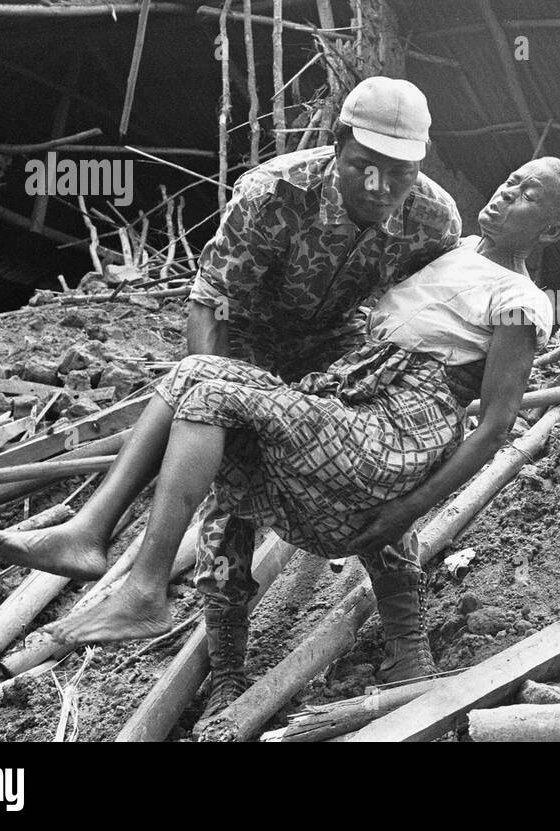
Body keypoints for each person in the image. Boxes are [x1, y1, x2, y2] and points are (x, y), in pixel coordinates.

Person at [0, 155, 560, 719]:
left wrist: (408, 508)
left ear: (554, 230)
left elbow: (494, 427)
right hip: (350, 394)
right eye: (511, 180)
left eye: (527, 194)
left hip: (401, 425)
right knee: (225, 452)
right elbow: (236, 295)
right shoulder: (444, 246)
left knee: (204, 381)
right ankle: (224, 668)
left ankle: (135, 577)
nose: (507, 192)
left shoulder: (521, 301)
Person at [185, 76, 462, 690]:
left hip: (341, 343)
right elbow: (212, 301)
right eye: (365, 166)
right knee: (231, 493)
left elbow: (424, 318)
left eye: (400, 173)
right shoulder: (272, 193)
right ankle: (229, 668)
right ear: (337, 146)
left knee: (372, 474)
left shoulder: (435, 220)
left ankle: (406, 641)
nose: (380, 187)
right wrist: (213, 388)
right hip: (249, 339)